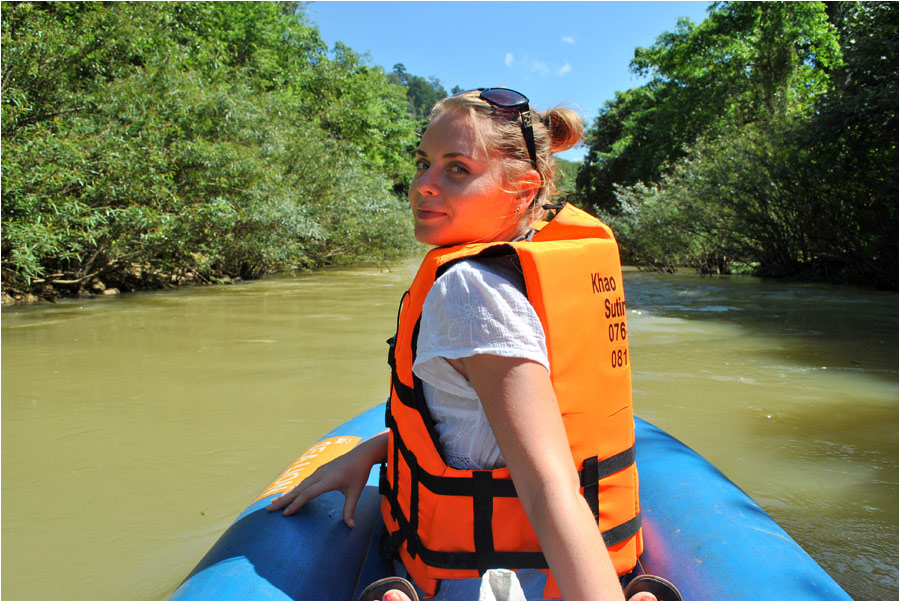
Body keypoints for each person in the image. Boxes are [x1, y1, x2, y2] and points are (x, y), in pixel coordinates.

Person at [268, 88, 646, 601]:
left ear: (522, 189)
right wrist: (375, 450)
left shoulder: (470, 289)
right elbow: (489, 431)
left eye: (456, 170)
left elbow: (548, 489)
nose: (424, 185)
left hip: (496, 581)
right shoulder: (522, 257)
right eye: (423, 163)